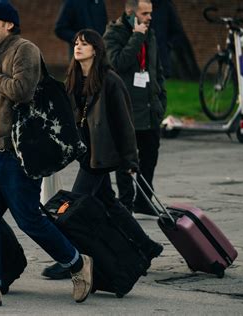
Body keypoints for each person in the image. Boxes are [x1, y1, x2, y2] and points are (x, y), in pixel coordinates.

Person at [0, 0, 93, 307]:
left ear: (9, 24)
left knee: (29, 219)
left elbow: (22, 91)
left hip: (18, 156)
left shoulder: (24, 50)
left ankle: (77, 263)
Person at [42, 29, 163, 280]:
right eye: (76, 43)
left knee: (72, 209)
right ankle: (148, 246)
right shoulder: (74, 78)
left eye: (84, 44)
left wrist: (131, 161)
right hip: (86, 154)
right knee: (109, 202)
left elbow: (124, 124)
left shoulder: (110, 81)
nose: (77, 47)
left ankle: (70, 259)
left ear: (95, 50)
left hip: (101, 157)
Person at [103, 0, 167, 216]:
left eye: (151, 12)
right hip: (126, 108)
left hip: (150, 109)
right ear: (130, 12)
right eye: (145, 13)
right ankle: (126, 203)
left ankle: (144, 201)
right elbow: (117, 63)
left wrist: (161, 98)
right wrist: (136, 37)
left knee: (150, 157)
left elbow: (156, 69)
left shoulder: (151, 33)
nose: (150, 17)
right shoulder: (114, 33)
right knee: (126, 160)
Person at [150, 0, 183, 78]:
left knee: (159, 85)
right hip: (143, 55)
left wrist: (168, 45)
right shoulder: (140, 4)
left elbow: (177, 31)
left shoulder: (166, 6)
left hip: (161, 55)